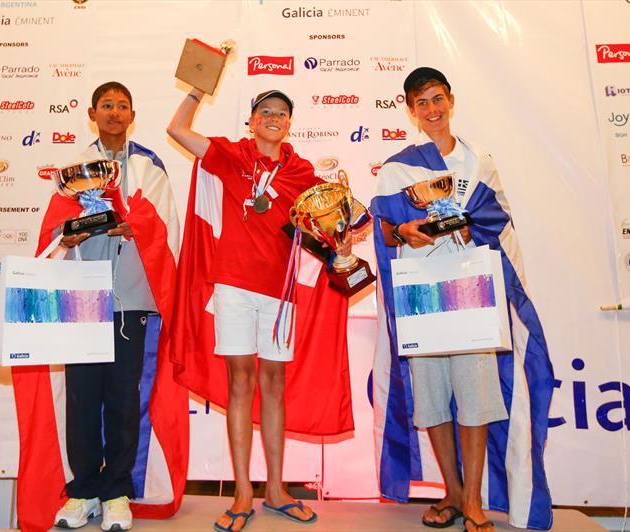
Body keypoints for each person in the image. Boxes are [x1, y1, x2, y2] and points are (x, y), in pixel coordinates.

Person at [370, 67, 554, 532]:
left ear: (451, 100)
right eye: (421, 103)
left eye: (437, 99)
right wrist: (404, 232)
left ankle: (472, 499)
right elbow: (384, 227)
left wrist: (476, 229)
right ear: (410, 111)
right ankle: (451, 491)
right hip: (421, 294)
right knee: (431, 402)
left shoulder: (479, 161)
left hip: (473, 290)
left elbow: (501, 220)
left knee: (476, 399)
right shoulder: (397, 167)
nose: (432, 110)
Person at [167, 86, 353, 532]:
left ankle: (274, 489)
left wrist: (343, 238)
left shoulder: (302, 172)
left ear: (290, 124)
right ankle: (242, 493)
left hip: (281, 290)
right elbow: (176, 129)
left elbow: (334, 221)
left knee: (273, 383)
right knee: (240, 382)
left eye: (282, 113)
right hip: (233, 287)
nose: (273, 117)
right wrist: (197, 88)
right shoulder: (231, 156)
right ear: (251, 121)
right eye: (265, 111)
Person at [37, 81, 181, 531]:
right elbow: (55, 228)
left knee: (122, 399)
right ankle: (82, 492)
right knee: (81, 400)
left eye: (122, 105)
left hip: (130, 299)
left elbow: (162, 222)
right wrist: (71, 233)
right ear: (92, 113)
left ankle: (117, 491)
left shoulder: (147, 165)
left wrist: (131, 223)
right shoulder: (75, 167)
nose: (115, 112)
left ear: (132, 114)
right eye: (107, 105)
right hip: (83, 297)